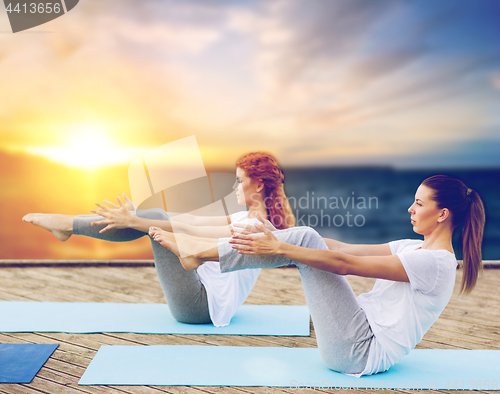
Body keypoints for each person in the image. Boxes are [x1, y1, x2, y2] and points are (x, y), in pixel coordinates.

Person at [150, 174, 485, 375]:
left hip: (359, 352)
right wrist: (280, 236)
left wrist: (282, 248)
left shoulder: (436, 263)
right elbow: (344, 247)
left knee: (302, 240)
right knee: (304, 236)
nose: (410, 209)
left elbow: (345, 265)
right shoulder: (413, 248)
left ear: (442, 214)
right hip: (354, 335)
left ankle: (200, 252)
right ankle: (200, 252)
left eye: (419, 204)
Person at [22, 152, 295, 327]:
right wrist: (138, 219)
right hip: (204, 298)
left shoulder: (255, 226)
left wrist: (138, 221)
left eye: (239, 181)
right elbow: (194, 222)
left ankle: (68, 225)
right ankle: (70, 226)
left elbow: (194, 232)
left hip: (198, 308)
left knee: (151, 217)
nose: (235, 187)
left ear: (258, 184)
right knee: (155, 215)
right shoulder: (246, 218)